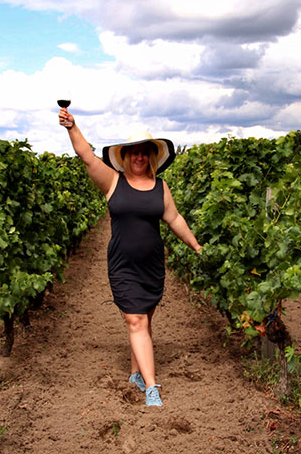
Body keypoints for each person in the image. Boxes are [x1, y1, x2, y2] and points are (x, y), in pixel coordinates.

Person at [59, 106, 202, 407]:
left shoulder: (161, 187)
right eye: (134, 152)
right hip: (122, 265)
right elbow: (86, 155)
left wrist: (197, 246)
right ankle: (152, 388)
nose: (139, 157)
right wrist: (72, 127)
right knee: (135, 319)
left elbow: (175, 219)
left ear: (151, 156)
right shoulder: (112, 182)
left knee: (144, 320)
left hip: (152, 266)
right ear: (125, 156)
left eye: (144, 152)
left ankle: (136, 373)